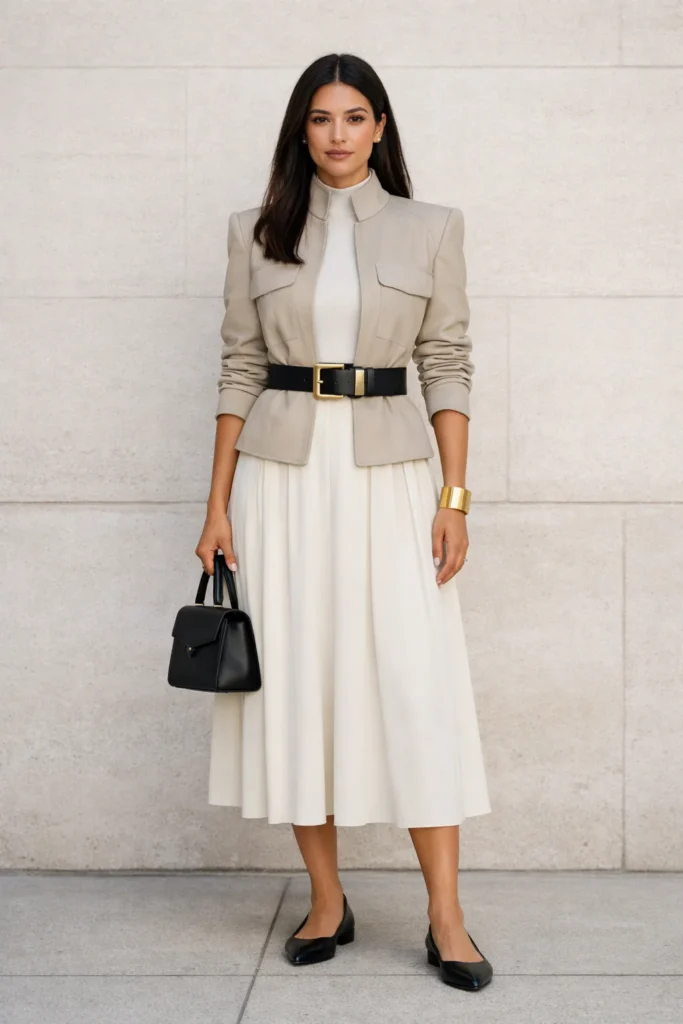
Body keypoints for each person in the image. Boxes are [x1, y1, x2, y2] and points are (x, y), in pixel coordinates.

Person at [195, 52, 493, 992]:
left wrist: (454, 498)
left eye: (355, 117)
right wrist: (214, 505)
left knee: (413, 681)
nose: (337, 134)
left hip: (390, 474)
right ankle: (326, 900)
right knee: (297, 685)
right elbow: (238, 367)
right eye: (321, 118)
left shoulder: (430, 227)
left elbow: (447, 361)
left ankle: (446, 915)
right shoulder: (254, 232)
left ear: (379, 129)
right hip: (279, 481)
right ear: (301, 130)